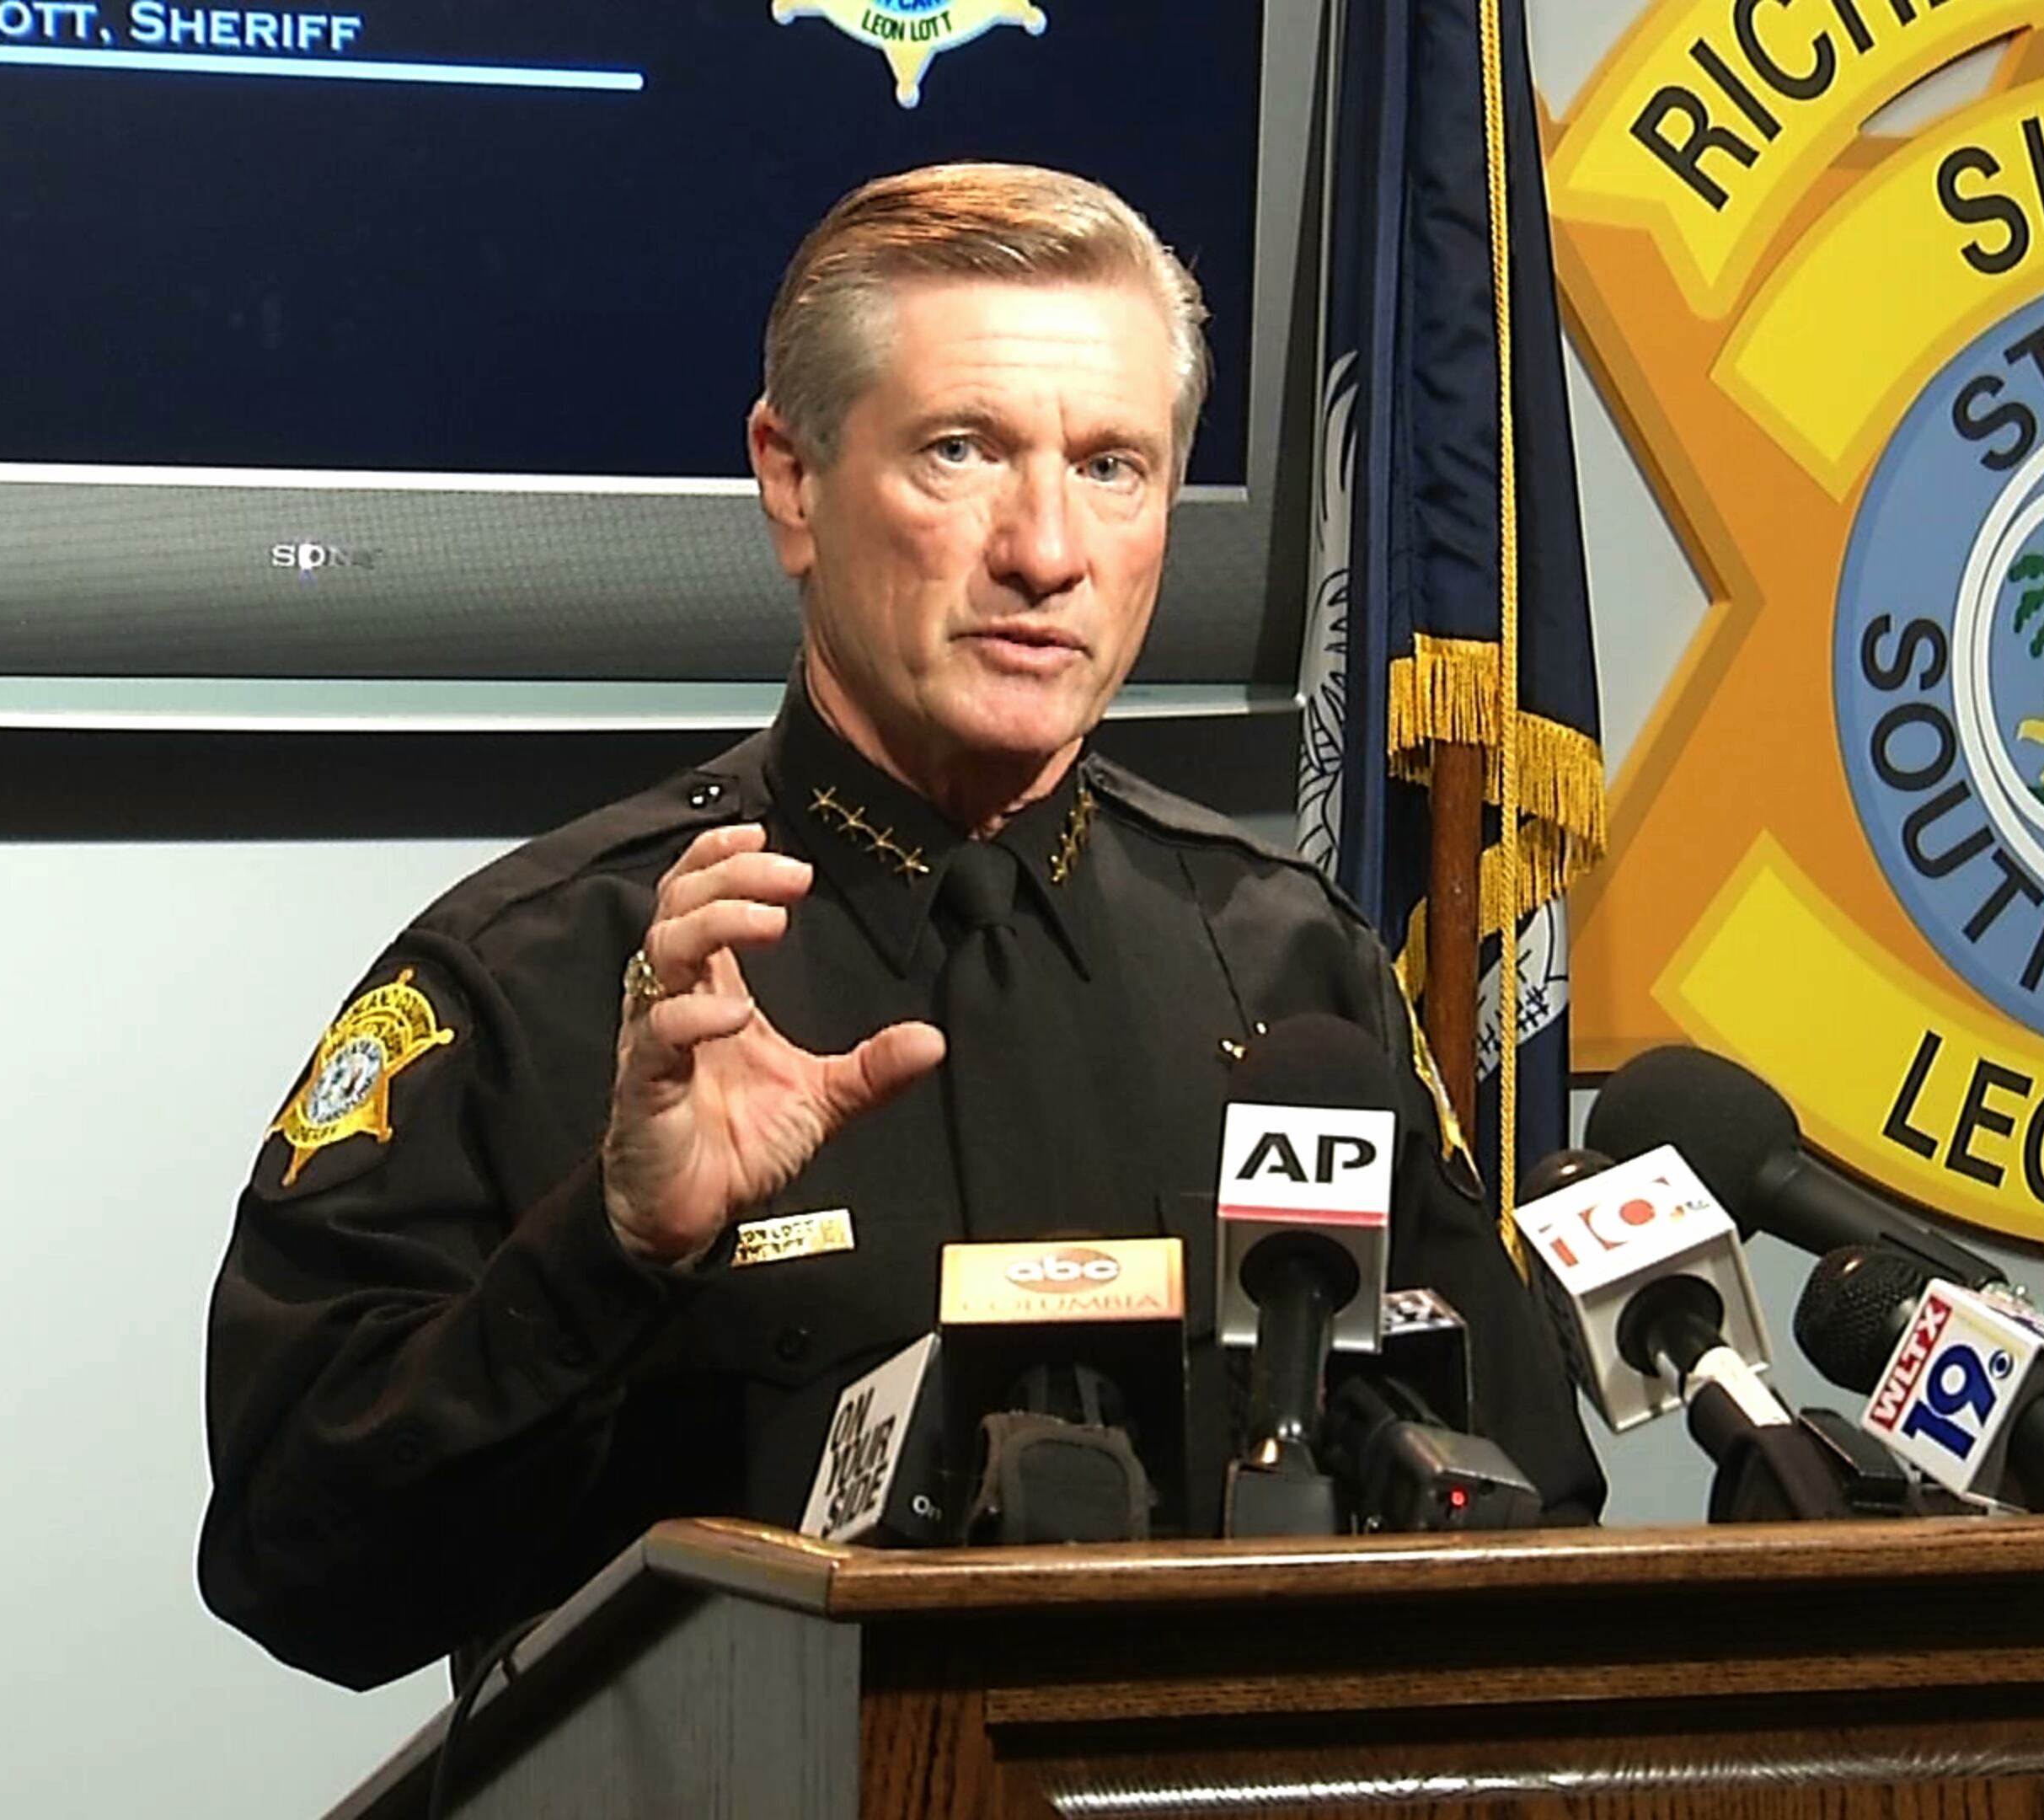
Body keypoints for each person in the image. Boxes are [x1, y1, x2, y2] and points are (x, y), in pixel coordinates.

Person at [197, 163, 1605, 1690]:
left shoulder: (1293, 970)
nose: (1047, 551)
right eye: (962, 452)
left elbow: (1536, 1501)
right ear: (791, 483)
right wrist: (610, 1252)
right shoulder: (543, 977)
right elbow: (301, 1571)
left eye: (1115, 467)